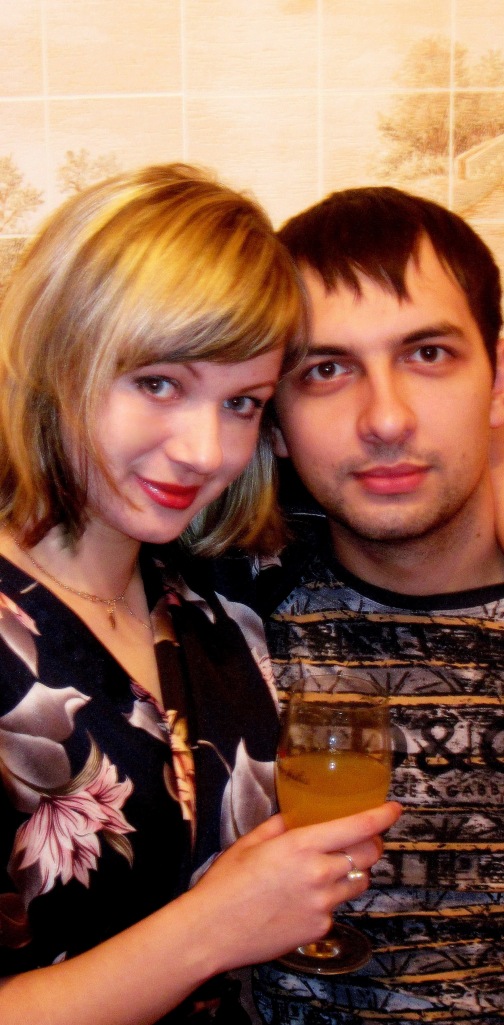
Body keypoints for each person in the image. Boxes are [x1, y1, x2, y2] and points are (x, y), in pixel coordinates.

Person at [0, 166, 401, 1025]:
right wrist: (213, 929)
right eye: (159, 383)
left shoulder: (210, 590)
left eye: (243, 403)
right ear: (58, 352)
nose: (206, 452)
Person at [247, 187, 504, 1024]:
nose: (385, 419)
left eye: (428, 353)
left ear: (498, 379)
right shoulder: (218, 608)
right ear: (273, 419)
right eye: (326, 370)